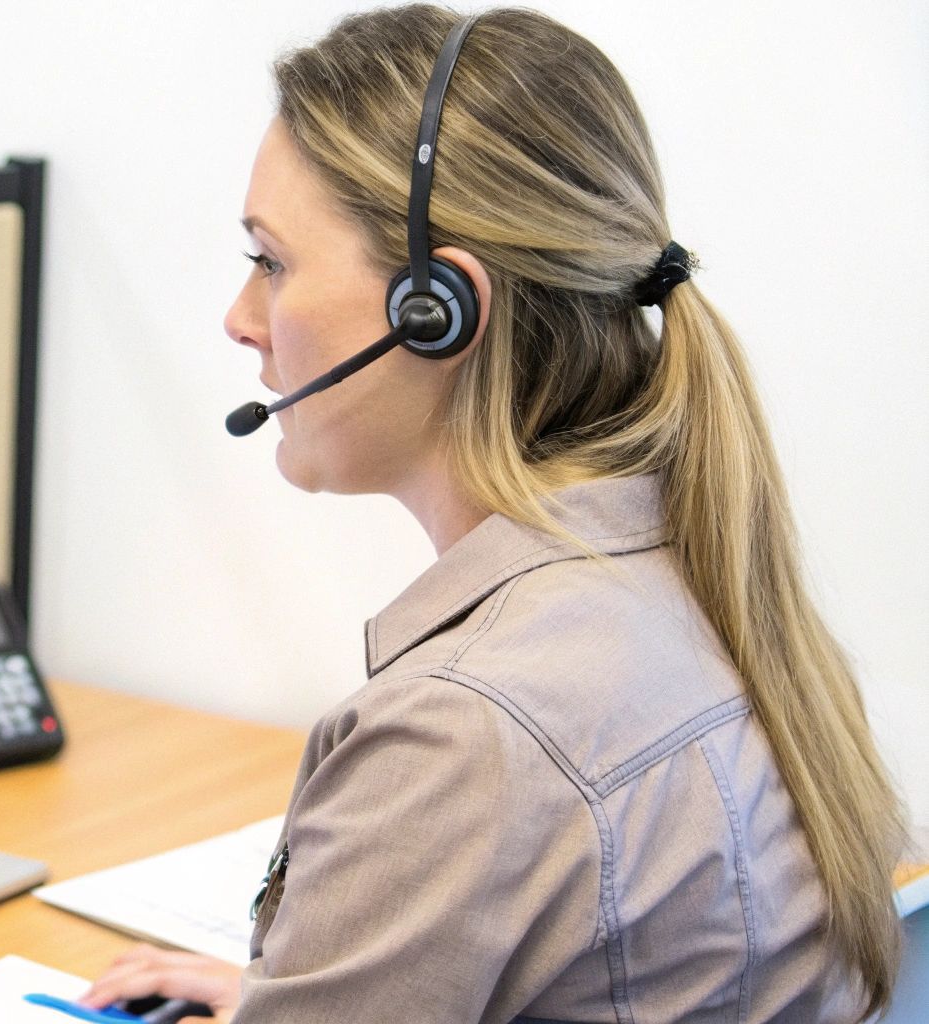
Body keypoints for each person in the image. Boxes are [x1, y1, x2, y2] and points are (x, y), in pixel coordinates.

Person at [78, 5, 906, 1021]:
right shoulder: (700, 578)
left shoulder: (462, 732)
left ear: (433, 310)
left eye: (271, 261)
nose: (239, 319)